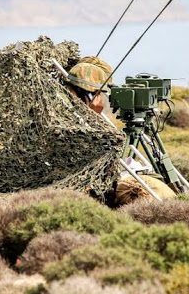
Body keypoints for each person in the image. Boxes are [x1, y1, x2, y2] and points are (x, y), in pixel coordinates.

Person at [66, 56, 176, 204]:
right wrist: (91, 115)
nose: (98, 98)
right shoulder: (67, 112)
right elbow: (83, 148)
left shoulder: (74, 107)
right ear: (83, 91)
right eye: (95, 93)